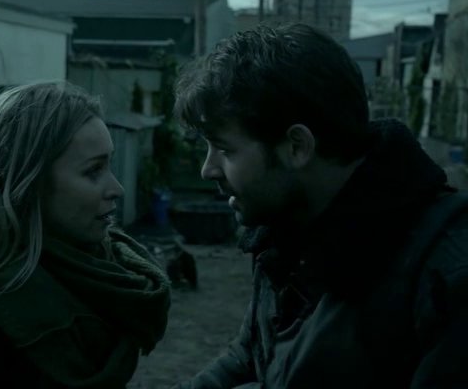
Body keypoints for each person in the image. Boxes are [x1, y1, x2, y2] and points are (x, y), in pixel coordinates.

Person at [171, 23, 468, 388]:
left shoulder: (448, 272)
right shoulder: (283, 232)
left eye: (225, 149)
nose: (207, 169)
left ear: (297, 147)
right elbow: (252, 355)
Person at [0, 81, 171, 388]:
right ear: (28, 185)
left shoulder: (110, 286)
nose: (116, 189)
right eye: (93, 171)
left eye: (109, 166)